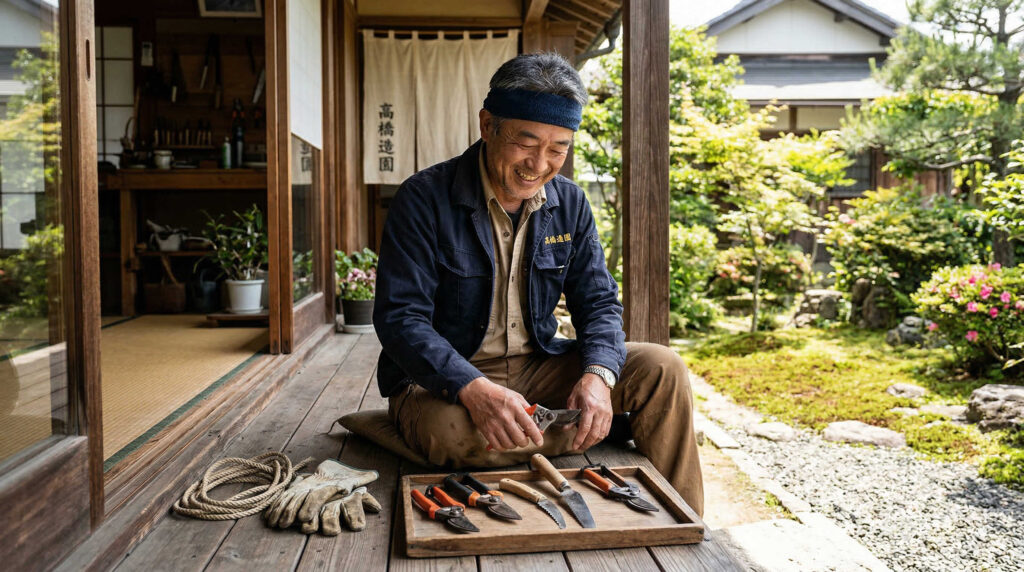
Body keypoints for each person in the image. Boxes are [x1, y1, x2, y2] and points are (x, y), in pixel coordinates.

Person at [373, 52, 704, 515]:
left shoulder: (570, 204)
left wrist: (598, 378)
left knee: (663, 368)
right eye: (526, 143)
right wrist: (473, 388)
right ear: (488, 126)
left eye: (558, 148)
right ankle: (586, 429)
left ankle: (684, 523)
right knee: (446, 433)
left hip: (538, 366)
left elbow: (599, 303)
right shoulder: (423, 198)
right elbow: (400, 319)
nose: (540, 164)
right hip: (450, 380)